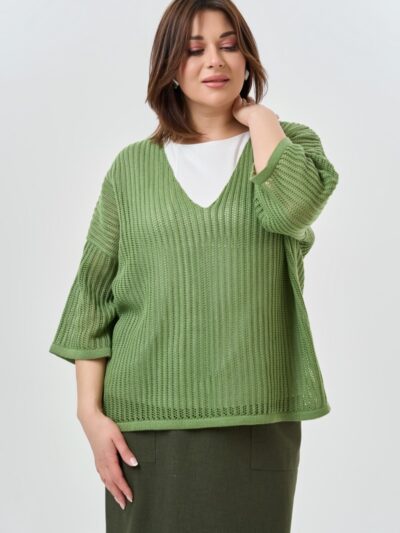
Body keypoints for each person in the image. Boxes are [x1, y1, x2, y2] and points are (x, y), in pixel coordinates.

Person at [49, 1, 339, 531]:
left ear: (248, 59)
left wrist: (261, 119)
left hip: (255, 417)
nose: (215, 61)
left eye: (229, 46)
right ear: (169, 67)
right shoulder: (131, 168)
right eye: (194, 49)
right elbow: (92, 297)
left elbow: (290, 209)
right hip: (144, 425)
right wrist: (89, 415)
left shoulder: (287, 145)